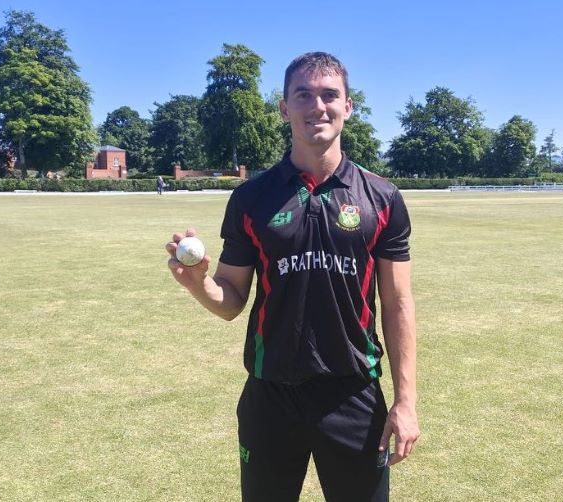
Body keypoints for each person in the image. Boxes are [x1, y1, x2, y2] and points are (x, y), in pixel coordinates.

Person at [166, 52, 419, 501]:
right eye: (303, 95)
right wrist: (198, 283)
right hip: (271, 396)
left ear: (348, 106)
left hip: (354, 394)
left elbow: (398, 303)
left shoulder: (381, 197)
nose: (317, 106)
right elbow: (231, 299)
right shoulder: (251, 198)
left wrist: (406, 401)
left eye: (329, 95)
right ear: (285, 108)